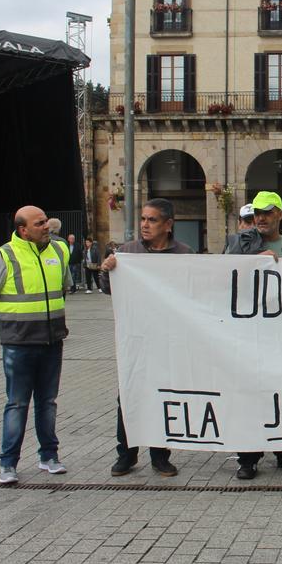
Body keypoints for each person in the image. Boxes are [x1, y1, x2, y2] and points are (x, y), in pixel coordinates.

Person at [0, 206, 71, 485]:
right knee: (17, 403)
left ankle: (49, 456)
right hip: (19, 342)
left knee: (47, 402)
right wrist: (11, 314)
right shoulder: (3, 255)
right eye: (39, 223)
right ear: (22, 230)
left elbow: (63, 288)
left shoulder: (59, 251)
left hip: (52, 339)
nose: (46, 227)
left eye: (46, 222)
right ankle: (8, 463)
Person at [100, 198, 190, 478]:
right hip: (136, 339)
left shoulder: (184, 254)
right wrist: (107, 271)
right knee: (128, 395)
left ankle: (160, 456)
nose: (145, 225)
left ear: (168, 225)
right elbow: (109, 289)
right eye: (143, 219)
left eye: (152, 220)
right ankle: (126, 454)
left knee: (163, 395)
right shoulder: (128, 253)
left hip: (167, 339)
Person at [225, 191, 282, 478]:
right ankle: (248, 458)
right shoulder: (239, 243)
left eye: (267, 212)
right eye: (256, 213)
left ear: (280, 215)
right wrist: (253, 257)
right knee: (250, 394)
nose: (260, 217)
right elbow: (224, 275)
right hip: (250, 335)